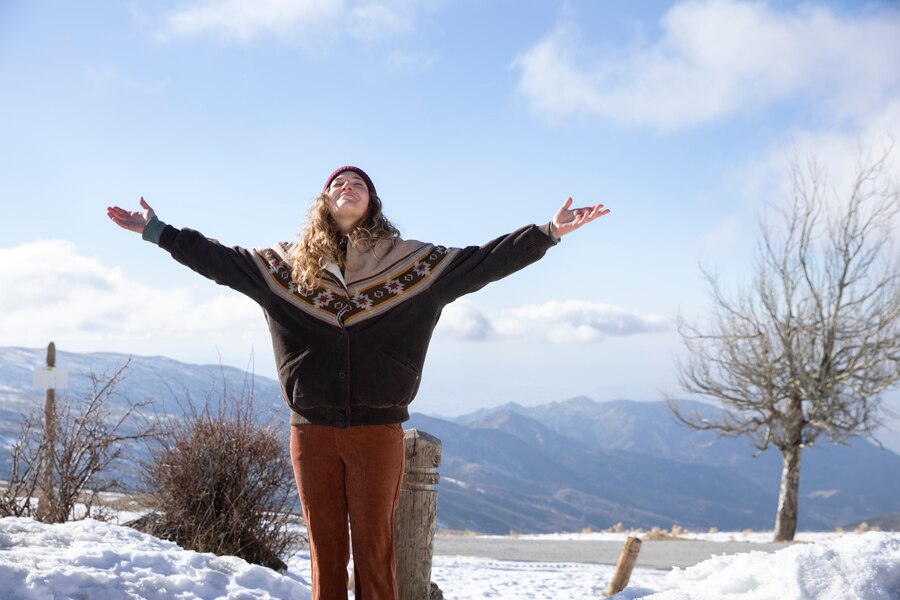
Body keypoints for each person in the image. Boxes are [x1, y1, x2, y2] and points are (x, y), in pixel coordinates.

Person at [107, 166, 609, 600]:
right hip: (311, 430)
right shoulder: (284, 268)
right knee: (324, 550)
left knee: (375, 549)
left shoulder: (414, 265)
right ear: (324, 201)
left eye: (358, 184)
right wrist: (158, 232)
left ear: (372, 202)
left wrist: (548, 232)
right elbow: (218, 260)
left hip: (377, 431)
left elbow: (486, 261)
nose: (347, 186)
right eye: (338, 183)